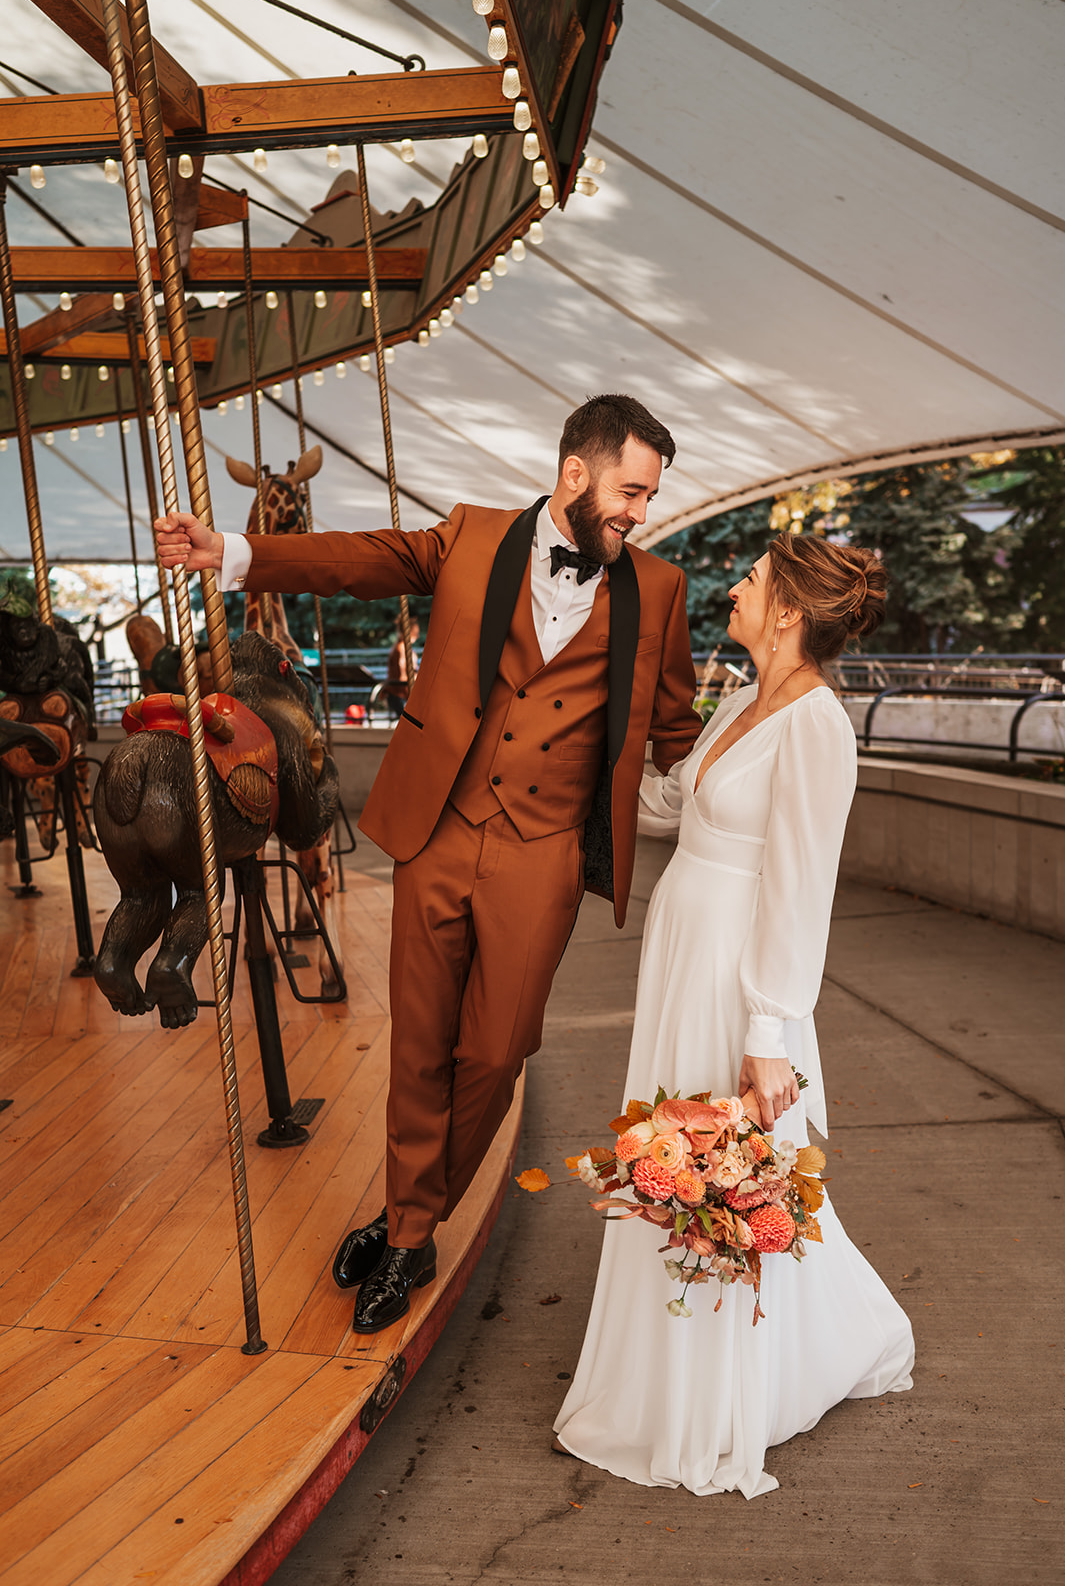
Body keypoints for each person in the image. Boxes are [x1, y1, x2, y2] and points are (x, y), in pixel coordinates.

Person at [155, 394, 704, 1335]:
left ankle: (410, 1214)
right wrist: (232, 553)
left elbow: (677, 729)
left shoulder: (658, 588)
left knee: (493, 1051)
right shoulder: (471, 538)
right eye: (630, 491)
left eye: (648, 499)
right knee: (418, 1043)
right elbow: (358, 559)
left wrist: (784, 729)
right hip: (441, 830)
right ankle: (410, 1231)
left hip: (545, 852)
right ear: (574, 472)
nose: (638, 514)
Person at [553, 532, 915, 1497]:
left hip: (738, 974)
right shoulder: (739, 700)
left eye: (752, 581)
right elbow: (679, 804)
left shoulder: (816, 725)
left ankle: (720, 1390)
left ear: (789, 613)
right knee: (679, 1152)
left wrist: (768, 1033)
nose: (735, 589)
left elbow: (799, 890)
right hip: (683, 958)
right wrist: (593, 751)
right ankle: (669, 1372)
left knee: (724, 1166)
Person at [384, 614, 419, 720]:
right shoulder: (401, 649)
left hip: (400, 690)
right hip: (399, 691)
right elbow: (402, 672)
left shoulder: (400, 648)